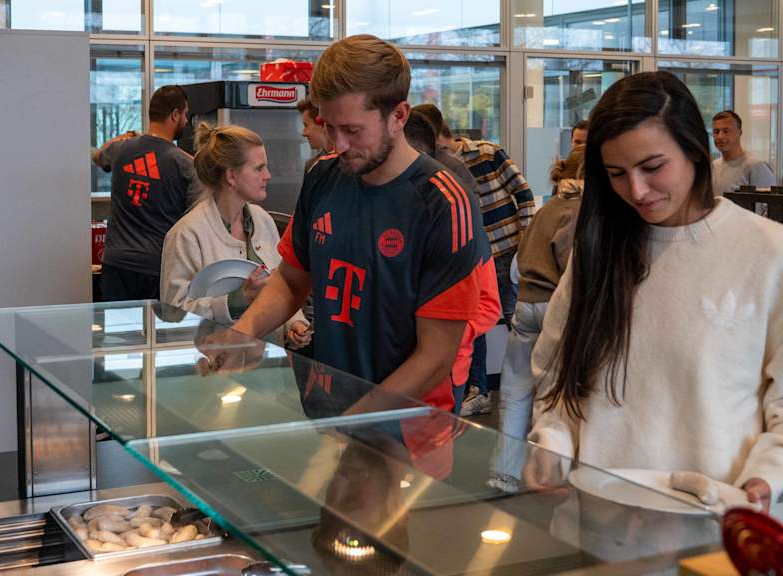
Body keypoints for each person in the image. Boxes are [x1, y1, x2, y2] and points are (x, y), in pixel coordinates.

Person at [525, 71, 783, 514]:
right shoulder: (598, 250)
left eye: (651, 167)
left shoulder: (767, 251)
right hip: (598, 516)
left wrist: (768, 475)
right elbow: (557, 373)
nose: (636, 191)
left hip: (714, 523)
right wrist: (551, 443)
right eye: (616, 174)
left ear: (695, 150)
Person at [201, 34, 495, 414]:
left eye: (353, 131)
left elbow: (436, 355)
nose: (337, 145)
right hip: (330, 401)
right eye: (329, 126)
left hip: (411, 425)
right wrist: (242, 335)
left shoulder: (443, 203)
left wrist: (356, 422)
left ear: (399, 116)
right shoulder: (323, 176)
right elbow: (292, 279)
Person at [422, 105, 535, 416]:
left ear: (445, 137)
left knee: (516, 321)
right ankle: (480, 390)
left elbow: (524, 194)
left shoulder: (487, 153)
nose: (440, 156)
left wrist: (525, 244)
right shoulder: (438, 166)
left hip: (508, 252)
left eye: (442, 149)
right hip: (478, 257)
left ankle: (528, 391)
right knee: (476, 324)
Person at [160, 124, 310, 347]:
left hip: (269, 364)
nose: (268, 176)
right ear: (231, 176)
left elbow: (283, 282)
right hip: (214, 365)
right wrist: (236, 301)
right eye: (259, 168)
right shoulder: (186, 235)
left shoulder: (263, 221)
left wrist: (294, 323)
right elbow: (174, 315)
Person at [489, 145, 584, 489]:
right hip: (555, 305)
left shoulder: (549, 207)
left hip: (526, 303)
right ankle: (551, 472)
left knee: (514, 392)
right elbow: (573, 266)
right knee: (554, 394)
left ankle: (505, 472)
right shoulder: (579, 211)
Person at [92, 85, 195, 301]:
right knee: (155, 333)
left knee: (121, 332)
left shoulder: (121, 149)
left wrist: (128, 136)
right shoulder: (184, 163)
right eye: (185, 114)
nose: (186, 121)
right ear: (174, 114)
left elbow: (98, 155)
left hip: (116, 263)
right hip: (157, 267)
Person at [711, 110, 775, 196]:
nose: (720, 136)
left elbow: (764, 207)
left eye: (726, 131)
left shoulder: (756, 166)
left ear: (739, 132)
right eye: (716, 132)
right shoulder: (714, 166)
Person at [298, 98, 332, 172]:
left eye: (306, 125)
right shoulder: (311, 165)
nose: (304, 133)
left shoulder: (349, 164)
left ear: (323, 124)